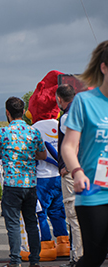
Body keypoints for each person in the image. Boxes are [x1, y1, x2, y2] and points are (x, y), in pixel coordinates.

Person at [0, 97, 47, 267]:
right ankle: (35, 261)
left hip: (12, 186)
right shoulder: (33, 132)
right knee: (31, 222)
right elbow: (43, 155)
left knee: (14, 224)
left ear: (7, 112)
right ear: (23, 111)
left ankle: (15, 261)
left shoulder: (3, 133)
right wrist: (30, 154)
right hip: (30, 185)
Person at [61, 40, 108, 267]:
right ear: (104, 67)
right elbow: (69, 146)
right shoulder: (85, 102)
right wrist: (77, 171)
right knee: (95, 257)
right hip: (94, 192)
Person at [56, 83, 83, 265]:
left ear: (59, 99)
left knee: (73, 216)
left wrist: (67, 166)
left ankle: (78, 256)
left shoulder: (67, 117)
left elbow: (76, 141)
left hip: (73, 173)